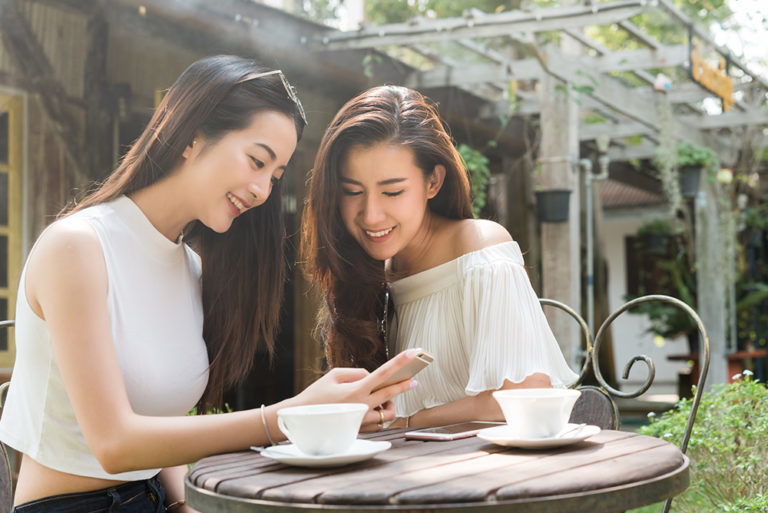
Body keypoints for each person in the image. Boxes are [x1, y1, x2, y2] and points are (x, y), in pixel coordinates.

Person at [0, 56, 418, 513]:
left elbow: (162, 440)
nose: (262, 190)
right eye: (257, 161)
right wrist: (290, 416)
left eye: (275, 177)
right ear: (193, 135)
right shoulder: (78, 247)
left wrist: (184, 507)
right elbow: (114, 444)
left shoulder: (191, 268)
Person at [301, 85, 578, 430]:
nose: (371, 215)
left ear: (433, 181)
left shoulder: (479, 249)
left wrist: (402, 423)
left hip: (491, 475)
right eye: (352, 192)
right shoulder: (375, 272)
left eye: (393, 191)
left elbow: (523, 395)